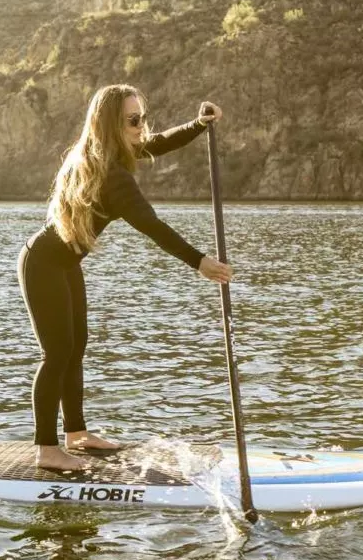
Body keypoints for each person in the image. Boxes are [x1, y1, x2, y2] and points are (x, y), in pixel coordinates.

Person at [16, 84, 233, 471]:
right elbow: (151, 225)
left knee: (76, 346)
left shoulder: (112, 154)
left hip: (64, 264)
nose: (141, 127)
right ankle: (46, 448)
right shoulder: (112, 174)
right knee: (58, 353)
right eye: (133, 120)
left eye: (142, 118)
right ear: (111, 124)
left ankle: (76, 433)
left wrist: (199, 125)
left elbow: (160, 142)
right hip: (42, 264)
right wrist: (198, 261)